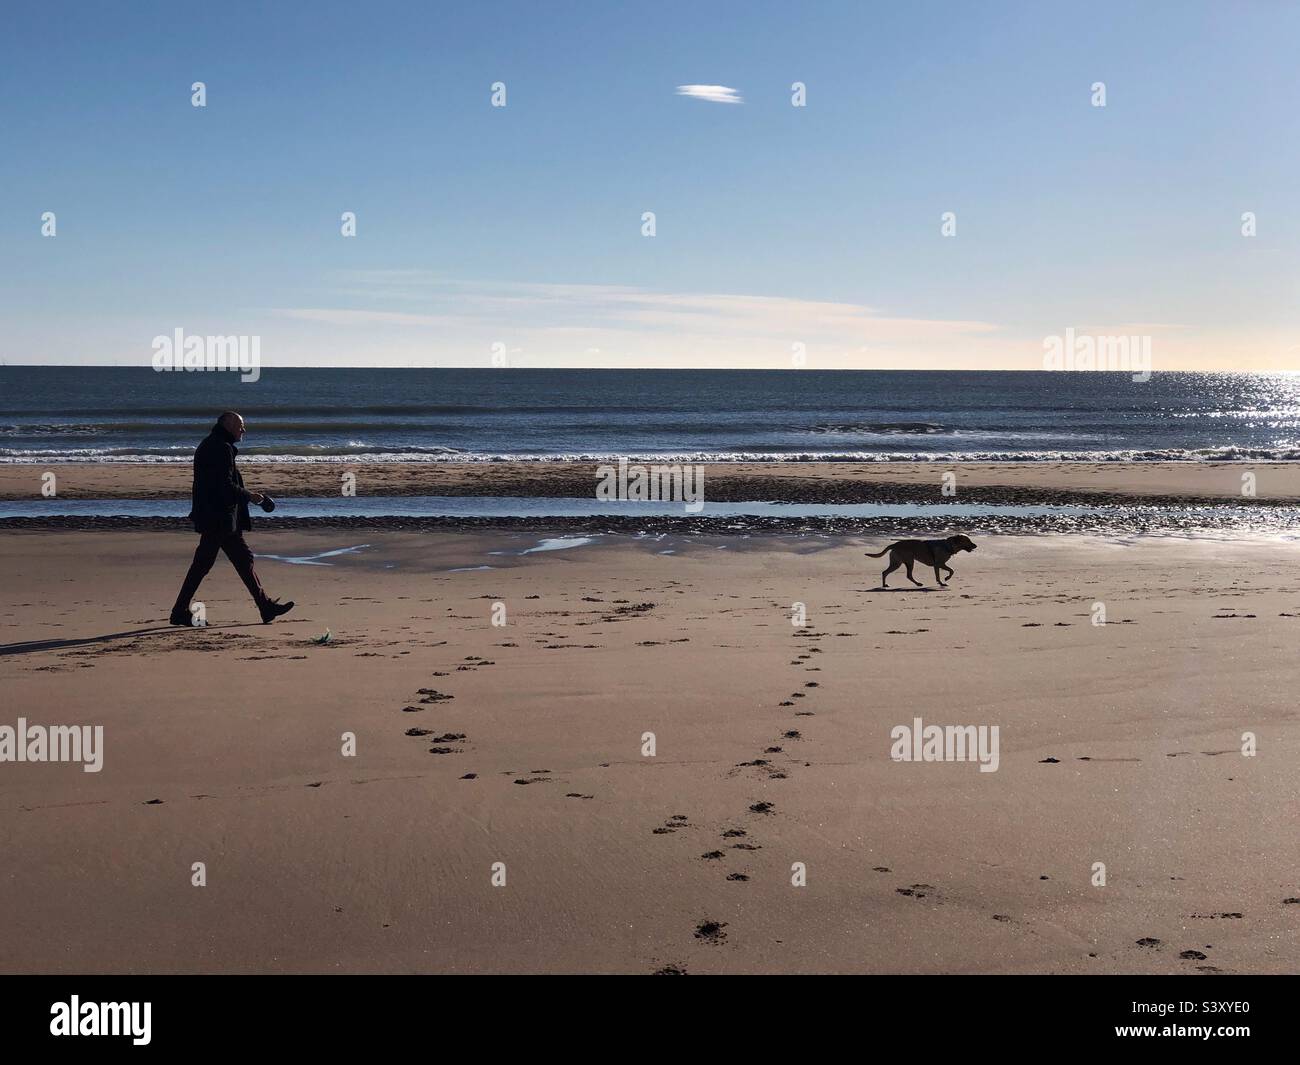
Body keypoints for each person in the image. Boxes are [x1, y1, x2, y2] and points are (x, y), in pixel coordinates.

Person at [169, 411, 294, 625]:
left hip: (220, 518)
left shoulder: (214, 444)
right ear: (227, 424)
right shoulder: (220, 447)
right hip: (218, 518)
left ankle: (265, 607)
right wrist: (253, 497)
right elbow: (224, 486)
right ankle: (179, 611)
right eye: (240, 425)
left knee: (242, 560)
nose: (243, 430)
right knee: (204, 564)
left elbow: (220, 485)